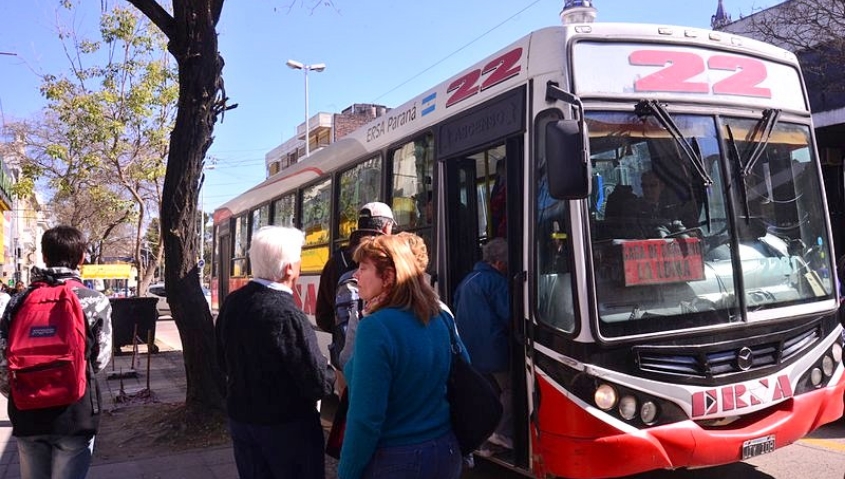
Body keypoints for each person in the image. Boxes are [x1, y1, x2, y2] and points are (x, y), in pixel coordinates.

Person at [338, 232, 465, 479]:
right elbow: (460, 376)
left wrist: (347, 473)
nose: (356, 276)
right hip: (445, 451)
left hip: (397, 460)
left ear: (387, 277)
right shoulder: (440, 318)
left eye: (363, 268)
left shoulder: (375, 327)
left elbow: (365, 419)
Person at [215, 225, 335, 479]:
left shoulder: (233, 302)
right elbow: (317, 383)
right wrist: (329, 371)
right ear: (289, 267)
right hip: (286, 428)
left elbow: (221, 360)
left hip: (241, 420)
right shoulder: (286, 314)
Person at [0, 225, 113, 479]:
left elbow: (2, 358)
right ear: (82, 258)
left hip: (27, 411)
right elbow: (101, 358)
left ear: (44, 255)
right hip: (74, 412)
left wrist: (22, 390)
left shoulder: (17, 301)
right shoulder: (94, 301)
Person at [452, 238, 512, 455]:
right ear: (498, 263)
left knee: (488, 395)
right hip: (494, 353)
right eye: (506, 263)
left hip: (470, 354)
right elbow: (510, 317)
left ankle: (484, 439)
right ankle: (501, 433)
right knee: (512, 389)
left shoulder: (468, 281)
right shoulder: (497, 283)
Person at [315, 201, 396, 335]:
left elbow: (322, 318)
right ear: (387, 227)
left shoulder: (335, 262)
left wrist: (343, 333)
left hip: (344, 350)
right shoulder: (392, 258)